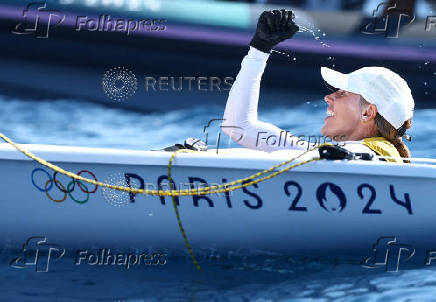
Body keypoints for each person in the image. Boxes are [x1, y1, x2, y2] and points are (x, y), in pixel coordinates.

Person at [222, 9, 414, 163]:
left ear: (368, 113)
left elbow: (351, 156)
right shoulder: (335, 154)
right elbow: (238, 127)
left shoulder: (367, 154)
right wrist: (258, 51)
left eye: (343, 93)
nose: (328, 97)